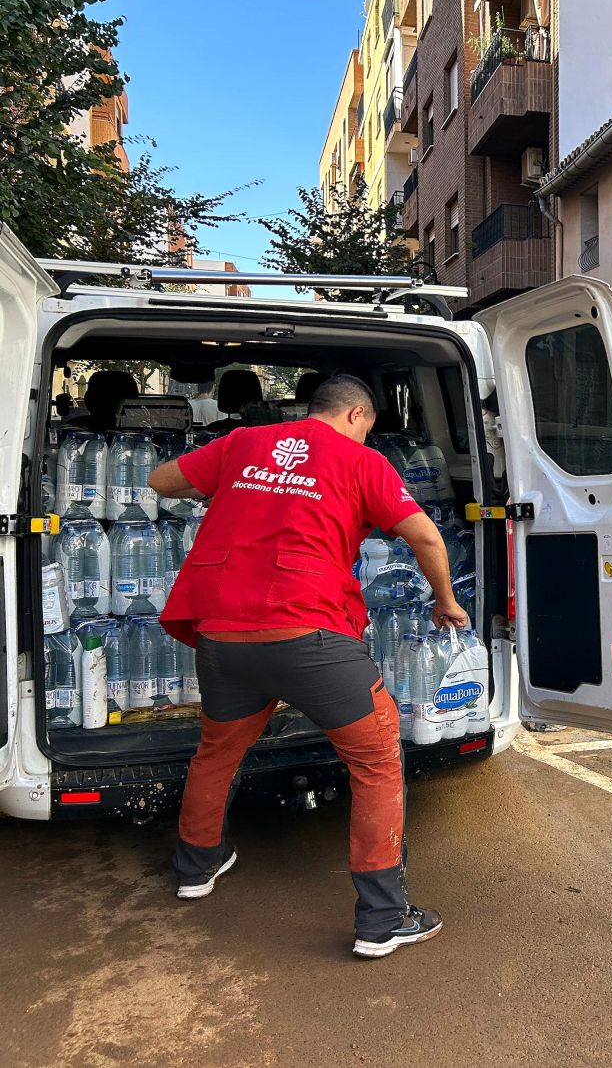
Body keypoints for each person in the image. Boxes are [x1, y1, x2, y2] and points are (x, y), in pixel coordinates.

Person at [148, 375, 468, 958]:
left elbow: (160, 480)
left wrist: (241, 489)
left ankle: (197, 865)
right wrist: (446, 602)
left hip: (223, 636)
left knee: (216, 752)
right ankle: (383, 917)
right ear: (356, 416)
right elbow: (426, 538)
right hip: (309, 635)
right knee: (375, 757)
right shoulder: (362, 461)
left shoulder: (244, 442)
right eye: (367, 425)